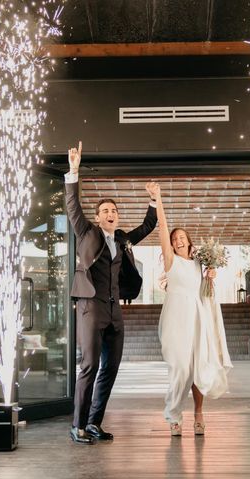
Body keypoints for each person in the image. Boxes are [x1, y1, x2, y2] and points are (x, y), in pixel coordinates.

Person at [65, 141, 158, 444]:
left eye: (114, 210)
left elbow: (147, 226)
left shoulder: (122, 239)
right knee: (90, 365)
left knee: (111, 368)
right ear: (98, 216)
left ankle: (94, 422)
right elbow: (72, 206)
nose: (110, 213)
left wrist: (154, 200)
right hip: (91, 307)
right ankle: (77, 424)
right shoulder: (87, 231)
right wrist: (74, 172)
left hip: (115, 310)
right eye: (105, 210)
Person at [151, 182, 232, 436]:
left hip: (198, 317)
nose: (177, 239)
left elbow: (208, 284)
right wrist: (158, 198)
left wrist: (212, 273)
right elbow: (162, 227)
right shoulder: (171, 260)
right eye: (174, 239)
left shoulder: (199, 262)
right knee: (180, 368)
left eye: (181, 236)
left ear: (188, 241)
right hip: (176, 318)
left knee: (199, 367)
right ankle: (173, 416)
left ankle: (198, 414)